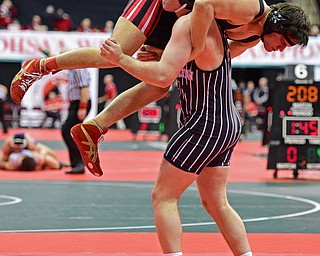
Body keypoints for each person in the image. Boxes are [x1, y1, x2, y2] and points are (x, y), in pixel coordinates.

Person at [11, 1, 310, 176]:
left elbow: (218, 55)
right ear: (277, 24)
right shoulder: (249, 7)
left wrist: (174, 54)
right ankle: (42, 66)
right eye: (283, 42)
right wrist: (185, 49)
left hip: (181, 21)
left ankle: (94, 127)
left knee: (159, 83)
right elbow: (204, 3)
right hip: (167, 4)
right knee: (119, 52)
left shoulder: (252, 37)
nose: (280, 50)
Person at [77, 12, 251, 255]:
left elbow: (162, 77)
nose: (161, 5)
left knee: (163, 197)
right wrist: (162, 55)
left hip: (204, 124)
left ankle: (47, 67)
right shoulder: (206, 29)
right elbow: (194, 58)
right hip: (225, 123)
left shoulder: (189, 23)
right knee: (216, 203)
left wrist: (120, 59)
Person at [62, 68, 91, 174]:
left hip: (79, 103)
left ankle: (79, 162)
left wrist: (82, 107)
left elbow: (84, 88)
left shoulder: (79, 68)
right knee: (70, 132)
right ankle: (76, 162)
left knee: (68, 132)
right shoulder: (72, 69)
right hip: (75, 103)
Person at [0, 133, 69, 170]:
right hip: (18, 157)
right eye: (15, 147)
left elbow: (40, 157)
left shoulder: (31, 145)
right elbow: (3, 159)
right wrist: (5, 165)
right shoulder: (8, 144)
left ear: (24, 145)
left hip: (35, 150)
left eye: (19, 147)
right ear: (12, 145)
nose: (17, 149)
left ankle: (61, 163)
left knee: (53, 160)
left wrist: (38, 164)